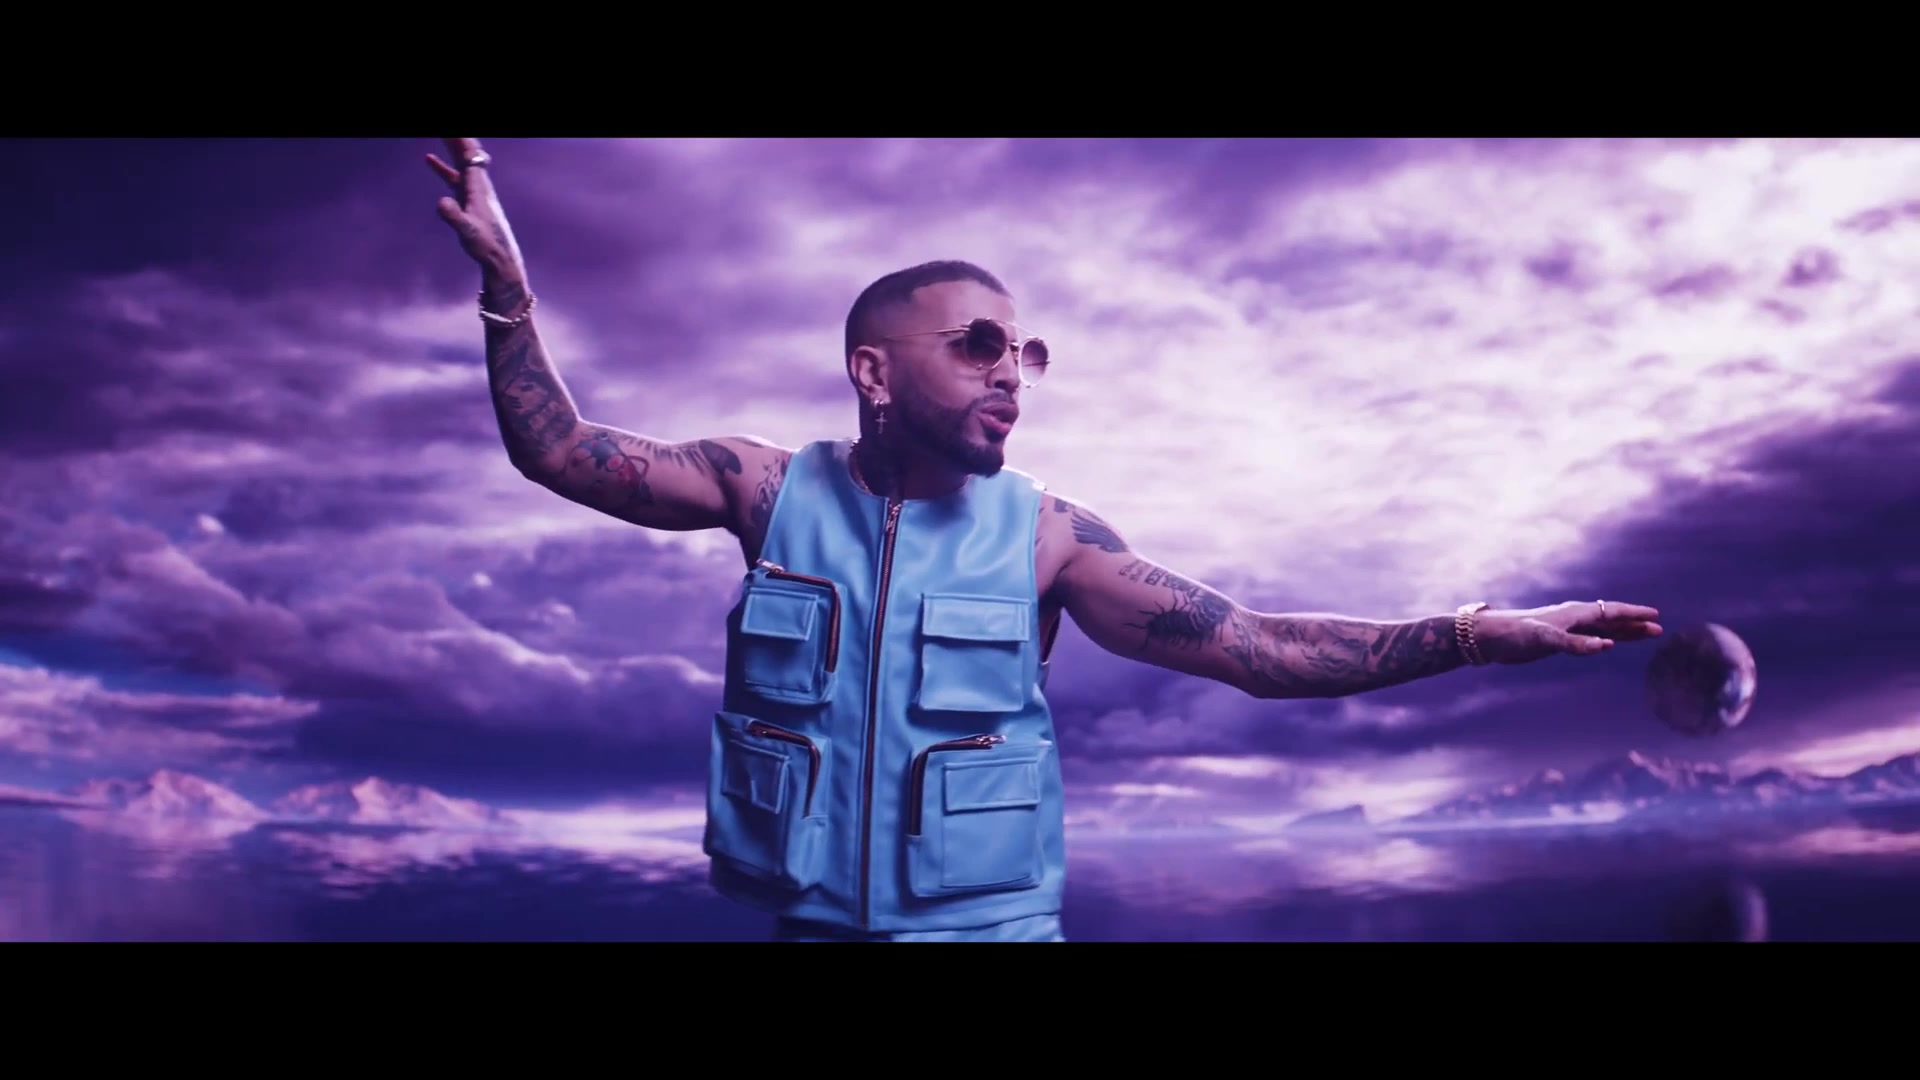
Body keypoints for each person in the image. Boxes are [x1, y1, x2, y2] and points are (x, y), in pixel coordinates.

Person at [424, 137, 1664, 943]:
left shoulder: (1051, 540)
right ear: (872, 372)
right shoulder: (763, 489)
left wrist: (1472, 634)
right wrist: (508, 294)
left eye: (1022, 351)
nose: (1011, 370)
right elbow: (560, 450)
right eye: (977, 345)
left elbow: (1262, 648)